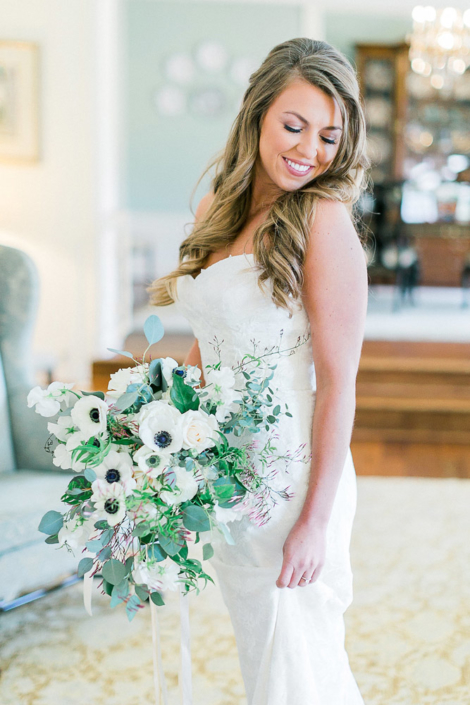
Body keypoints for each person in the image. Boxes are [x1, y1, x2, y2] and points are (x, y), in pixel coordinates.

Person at [148, 37, 368, 705]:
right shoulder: (223, 203)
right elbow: (209, 344)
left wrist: (316, 522)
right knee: (264, 658)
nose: (308, 150)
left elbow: (336, 383)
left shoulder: (323, 220)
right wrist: (160, 427)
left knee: (298, 666)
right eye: (293, 125)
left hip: (293, 478)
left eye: (329, 136)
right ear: (258, 113)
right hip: (228, 479)